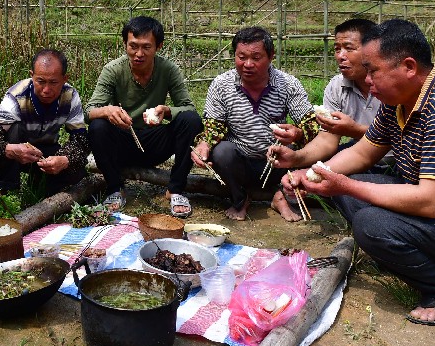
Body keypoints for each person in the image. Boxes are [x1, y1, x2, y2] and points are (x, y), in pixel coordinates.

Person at [285, 19, 435, 326]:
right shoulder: (399, 100)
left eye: (373, 70)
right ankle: (409, 257)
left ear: (409, 67)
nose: (368, 80)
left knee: (370, 222)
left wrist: (343, 185)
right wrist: (312, 173)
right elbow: (363, 152)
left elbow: (430, 202)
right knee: (354, 189)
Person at [269, 18, 393, 221]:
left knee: (345, 187)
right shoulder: (337, 86)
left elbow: (400, 135)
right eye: (337, 49)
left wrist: (354, 130)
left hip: (395, 160)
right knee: (314, 174)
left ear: (371, 49)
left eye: (349, 48)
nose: (340, 56)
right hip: (360, 155)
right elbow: (327, 141)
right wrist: (296, 158)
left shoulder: (391, 85)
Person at [190, 27, 315, 221]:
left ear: (271, 56)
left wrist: (297, 133)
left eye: (256, 58)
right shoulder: (222, 85)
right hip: (240, 164)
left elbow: (310, 126)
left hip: (277, 162)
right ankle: (240, 198)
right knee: (222, 152)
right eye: (242, 57)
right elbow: (213, 129)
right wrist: (204, 145)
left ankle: (280, 194)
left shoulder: (288, 84)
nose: (248, 64)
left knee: (313, 148)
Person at [86, 16, 203, 217]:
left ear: (159, 46)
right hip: (123, 141)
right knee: (98, 126)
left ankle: (175, 189)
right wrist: (107, 111)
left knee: (191, 121)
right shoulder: (113, 70)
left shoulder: (168, 70)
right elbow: (89, 111)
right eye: (133, 46)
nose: (139, 54)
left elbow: (189, 108)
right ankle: (115, 188)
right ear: (125, 44)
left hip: (155, 141)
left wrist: (167, 111)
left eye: (146, 47)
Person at [0, 49, 89, 197]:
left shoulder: (70, 96)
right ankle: (6, 188)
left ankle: (42, 185)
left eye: (53, 82)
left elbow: (81, 140)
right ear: (32, 75)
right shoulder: (16, 95)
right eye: (40, 81)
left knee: (78, 171)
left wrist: (65, 159)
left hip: (46, 150)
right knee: (14, 129)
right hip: (18, 147)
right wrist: (9, 149)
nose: (46, 90)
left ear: (65, 79)